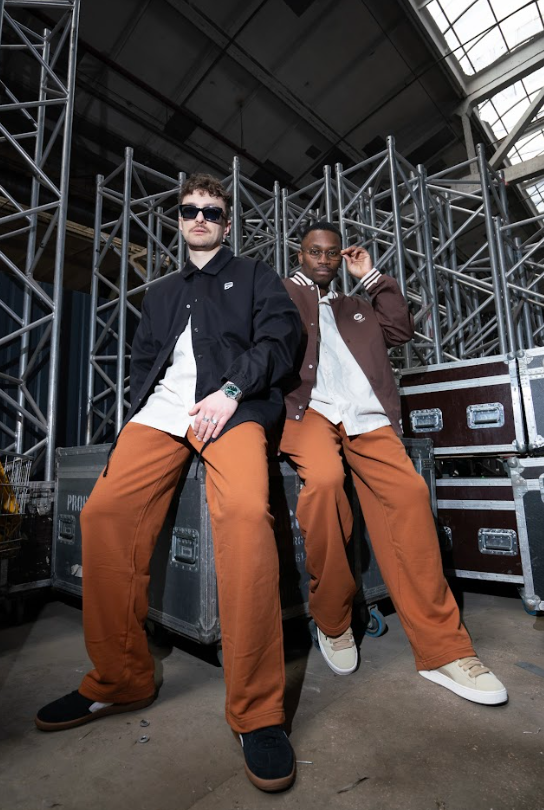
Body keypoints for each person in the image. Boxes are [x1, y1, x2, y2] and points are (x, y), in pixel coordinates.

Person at [35, 174, 302, 793]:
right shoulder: (160, 294)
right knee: (103, 515)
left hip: (231, 408)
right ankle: (121, 678)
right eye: (189, 210)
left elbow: (282, 339)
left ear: (228, 222)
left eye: (213, 210)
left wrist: (231, 390)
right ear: (178, 221)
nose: (200, 218)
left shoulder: (256, 276)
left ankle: (258, 712)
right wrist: (139, 412)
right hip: (161, 415)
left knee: (245, 516)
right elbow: (143, 361)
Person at [279, 220, 508, 706]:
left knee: (410, 495)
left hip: (366, 416)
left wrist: (371, 277)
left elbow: (400, 330)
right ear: (300, 255)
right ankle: (333, 620)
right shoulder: (283, 294)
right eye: (314, 251)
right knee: (325, 483)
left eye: (332, 253)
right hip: (307, 412)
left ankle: (443, 650)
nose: (324, 259)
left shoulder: (356, 306)